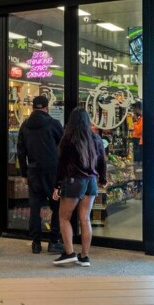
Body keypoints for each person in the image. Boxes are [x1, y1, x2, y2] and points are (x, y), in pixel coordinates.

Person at [52, 107, 107, 267]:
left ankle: (69, 252)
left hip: (74, 181)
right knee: (85, 218)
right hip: (91, 182)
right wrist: (103, 179)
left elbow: (61, 165)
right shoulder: (96, 138)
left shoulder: (68, 139)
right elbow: (102, 161)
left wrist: (57, 185)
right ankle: (84, 256)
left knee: (64, 217)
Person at [17, 95, 64, 254]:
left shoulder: (25, 125)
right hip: (52, 172)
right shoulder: (54, 124)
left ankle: (36, 243)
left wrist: (24, 173)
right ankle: (54, 241)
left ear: (32, 107)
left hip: (34, 172)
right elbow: (63, 145)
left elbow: (21, 151)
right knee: (56, 206)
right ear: (46, 107)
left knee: (35, 207)